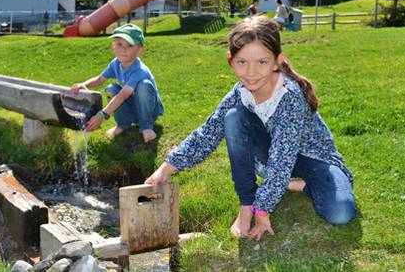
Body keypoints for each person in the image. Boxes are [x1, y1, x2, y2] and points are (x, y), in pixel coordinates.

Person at [145, 16, 356, 240]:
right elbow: (208, 133)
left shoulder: (290, 96)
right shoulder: (240, 93)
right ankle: (246, 204)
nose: (251, 72)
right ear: (231, 61)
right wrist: (166, 168)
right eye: (242, 62)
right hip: (274, 157)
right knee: (233, 118)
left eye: (262, 62)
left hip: (314, 159)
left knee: (340, 213)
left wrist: (263, 209)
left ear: (277, 61)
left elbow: (282, 158)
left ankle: (299, 185)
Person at [71, 24, 164, 143]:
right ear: (113, 46)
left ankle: (146, 126)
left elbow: (123, 95)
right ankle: (122, 124)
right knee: (111, 88)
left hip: (149, 109)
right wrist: (83, 84)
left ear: (140, 50)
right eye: (119, 44)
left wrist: (102, 115)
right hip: (132, 108)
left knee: (144, 86)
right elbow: (100, 79)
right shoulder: (115, 63)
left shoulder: (139, 70)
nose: (123, 49)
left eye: (130, 45)